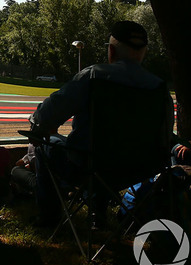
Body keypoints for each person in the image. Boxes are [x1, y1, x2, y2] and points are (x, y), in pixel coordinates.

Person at [29, 20, 173, 226]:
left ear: (111, 51)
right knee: (104, 153)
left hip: (89, 167)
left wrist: (38, 128)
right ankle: (98, 214)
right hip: (138, 170)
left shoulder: (94, 76)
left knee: (48, 146)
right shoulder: (160, 89)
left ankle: (49, 218)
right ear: (144, 52)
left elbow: (46, 115)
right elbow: (164, 137)